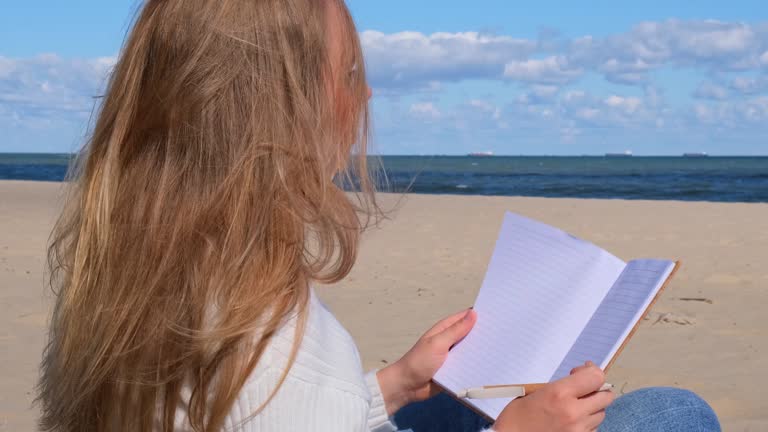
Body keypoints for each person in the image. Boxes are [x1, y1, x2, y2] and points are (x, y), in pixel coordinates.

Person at [36, 0, 721, 431]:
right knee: (671, 413)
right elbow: (284, 407)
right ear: (282, 110)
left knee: (456, 402)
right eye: (352, 72)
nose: (365, 94)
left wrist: (392, 387)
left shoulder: (128, 268)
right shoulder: (270, 346)